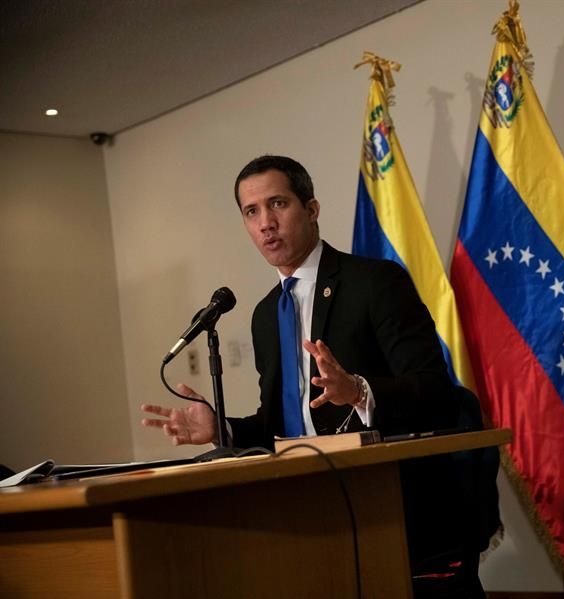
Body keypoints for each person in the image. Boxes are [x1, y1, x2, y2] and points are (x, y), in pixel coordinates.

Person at [141, 155, 485, 598]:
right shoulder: (266, 315)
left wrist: (359, 391)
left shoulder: (374, 283)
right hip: (308, 514)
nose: (266, 223)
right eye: (252, 212)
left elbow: (436, 390)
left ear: (312, 208)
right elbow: (281, 426)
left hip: (396, 510)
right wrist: (221, 428)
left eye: (278, 204)